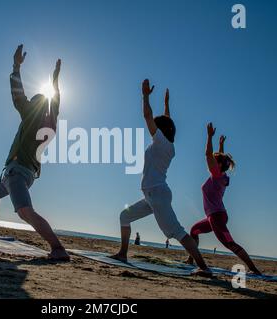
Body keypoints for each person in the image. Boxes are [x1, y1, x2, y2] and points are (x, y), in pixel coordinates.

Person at [0, 45, 69, 261]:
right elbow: (56, 99)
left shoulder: (32, 114)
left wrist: (16, 66)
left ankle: (58, 248)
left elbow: (18, 95)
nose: (29, 102)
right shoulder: (50, 121)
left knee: (25, 211)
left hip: (17, 172)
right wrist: (55, 78)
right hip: (20, 174)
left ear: (36, 104)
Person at [110, 80, 212, 277]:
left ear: (161, 130)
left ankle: (204, 267)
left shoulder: (162, 142)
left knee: (177, 232)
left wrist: (145, 95)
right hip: (151, 195)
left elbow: (147, 115)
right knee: (125, 216)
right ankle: (123, 253)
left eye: (156, 126)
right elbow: (167, 121)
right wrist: (166, 103)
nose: (152, 127)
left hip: (157, 194)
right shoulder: (166, 143)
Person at [185, 124, 261, 275]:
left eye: (215, 161)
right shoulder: (221, 176)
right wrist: (220, 145)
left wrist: (209, 137)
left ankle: (254, 269)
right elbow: (220, 159)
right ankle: (190, 259)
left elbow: (208, 155)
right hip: (213, 216)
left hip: (217, 217)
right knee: (194, 230)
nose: (210, 162)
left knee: (229, 243)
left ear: (218, 165)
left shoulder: (217, 176)